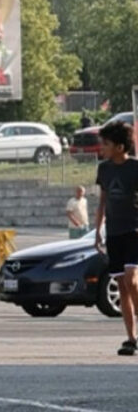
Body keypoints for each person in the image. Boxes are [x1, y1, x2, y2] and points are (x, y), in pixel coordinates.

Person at [92, 122, 138, 356]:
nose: (103, 148)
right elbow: (102, 202)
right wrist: (97, 230)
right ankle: (131, 338)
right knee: (122, 286)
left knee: (132, 280)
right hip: (114, 233)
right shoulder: (104, 169)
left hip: (134, 231)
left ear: (120, 146)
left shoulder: (135, 168)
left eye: (106, 144)